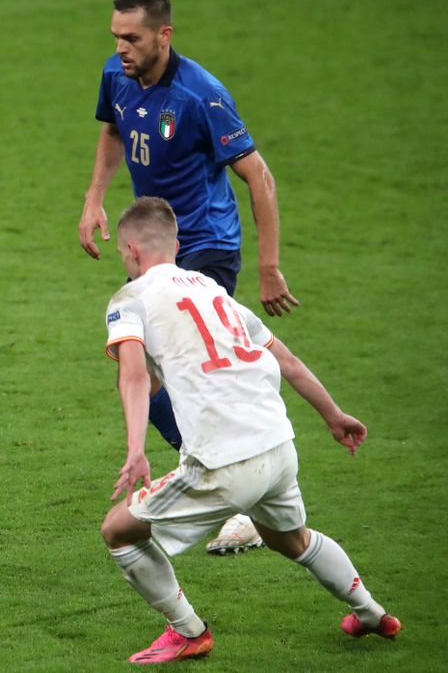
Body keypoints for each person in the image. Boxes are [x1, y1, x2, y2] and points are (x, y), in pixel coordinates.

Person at [100, 197, 400, 664]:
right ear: (176, 244)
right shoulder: (215, 291)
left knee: (119, 531)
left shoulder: (129, 299)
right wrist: (335, 416)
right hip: (277, 446)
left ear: (132, 251)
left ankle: (188, 632)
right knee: (290, 538)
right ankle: (370, 612)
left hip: (223, 462)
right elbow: (290, 362)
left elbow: (135, 376)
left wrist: (136, 448)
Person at [79, 0, 298, 554]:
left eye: (132, 38)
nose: (121, 48)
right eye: (116, 37)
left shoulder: (201, 96)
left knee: (182, 367)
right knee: (141, 367)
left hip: (204, 246)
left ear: (164, 35)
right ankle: (205, 469)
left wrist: (269, 266)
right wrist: (94, 197)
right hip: (153, 249)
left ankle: (236, 493)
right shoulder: (117, 74)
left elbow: (260, 177)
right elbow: (112, 130)